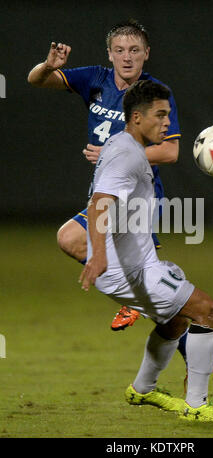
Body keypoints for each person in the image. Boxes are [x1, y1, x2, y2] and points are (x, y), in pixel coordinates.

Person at [79, 79, 213, 422]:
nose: (167, 122)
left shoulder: (123, 145)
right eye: (161, 115)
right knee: (206, 309)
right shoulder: (126, 154)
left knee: (176, 320)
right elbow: (99, 204)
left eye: (168, 114)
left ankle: (143, 390)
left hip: (137, 263)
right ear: (136, 117)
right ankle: (196, 407)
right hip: (125, 271)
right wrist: (100, 257)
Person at [27, 19, 183, 334]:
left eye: (135, 50)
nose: (127, 57)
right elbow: (36, 81)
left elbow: (170, 152)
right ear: (109, 54)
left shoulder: (155, 95)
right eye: (120, 50)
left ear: (146, 54)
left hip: (138, 197)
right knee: (156, 297)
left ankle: (141, 300)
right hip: (107, 193)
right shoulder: (95, 80)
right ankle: (186, 343)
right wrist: (47, 66)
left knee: (69, 237)